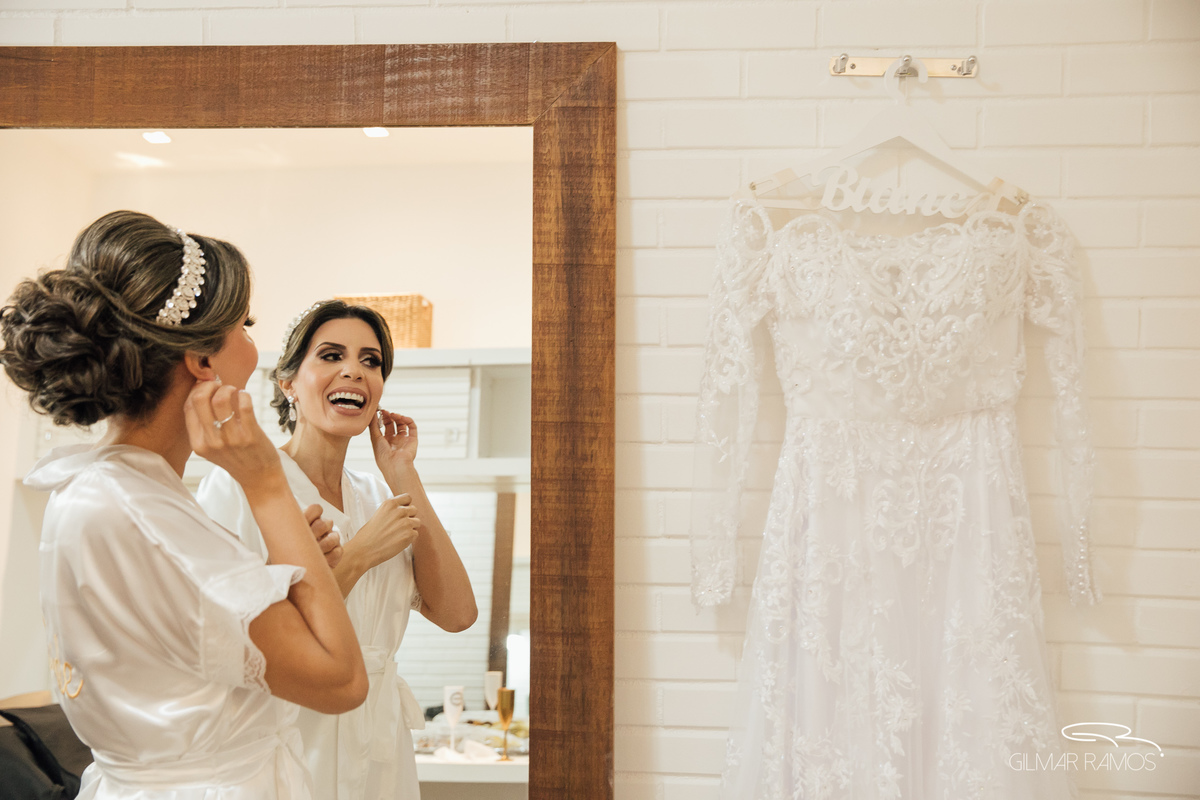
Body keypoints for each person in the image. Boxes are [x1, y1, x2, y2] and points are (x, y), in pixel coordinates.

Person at [0, 211, 369, 799]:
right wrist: (267, 482)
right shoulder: (151, 517)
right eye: (245, 325)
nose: (255, 347)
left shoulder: (97, 488)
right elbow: (343, 682)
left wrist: (288, 578)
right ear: (202, 360)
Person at [197, 299, 477, 800]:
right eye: (330, 355)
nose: (354, 370)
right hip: (291, 733)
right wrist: (357, 557)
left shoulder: (377, 494)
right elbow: (228, 645)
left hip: (380, 746)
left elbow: (457, 613)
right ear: (288, 383)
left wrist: (404, 477)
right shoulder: (240, 486)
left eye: (371, 361)